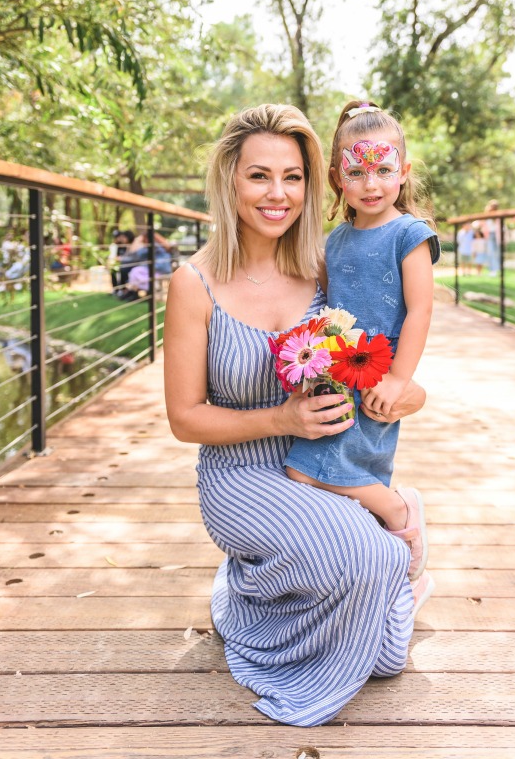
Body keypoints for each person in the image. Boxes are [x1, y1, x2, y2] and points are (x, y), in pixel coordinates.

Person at [164, 103, 427, 727]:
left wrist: (408, 392)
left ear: (313, 184)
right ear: (230, 180)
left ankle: (288, 582)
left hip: (319, 463)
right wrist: (280, 420)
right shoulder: (192, 283)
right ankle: (249, 592)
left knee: (387, 651)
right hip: (239, 475)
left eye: (293, 176)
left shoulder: (326, 267)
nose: (277, 194)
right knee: (373, 560)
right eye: (259, 175)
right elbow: (184, 419)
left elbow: (386, 356)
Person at [284, 101, 439, 594]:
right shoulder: (336, 240)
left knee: (318, 471)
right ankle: (379, 558)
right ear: (337, 178)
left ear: (403, 171)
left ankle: (398, 512)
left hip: (376, 373)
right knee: (317, 471)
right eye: (357, 171)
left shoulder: (409, 236)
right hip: (335, 370)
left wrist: (397, 380)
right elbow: (329, 302)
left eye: (383, 170)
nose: (371, 185)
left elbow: (420, 310)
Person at [483, 199, 501, 275]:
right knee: (490, 252)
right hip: (489, 235)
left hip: (495, 235)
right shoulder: (487, 215)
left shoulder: (497, 216)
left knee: (496, 253)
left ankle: (496, 269)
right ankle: (492, 269)